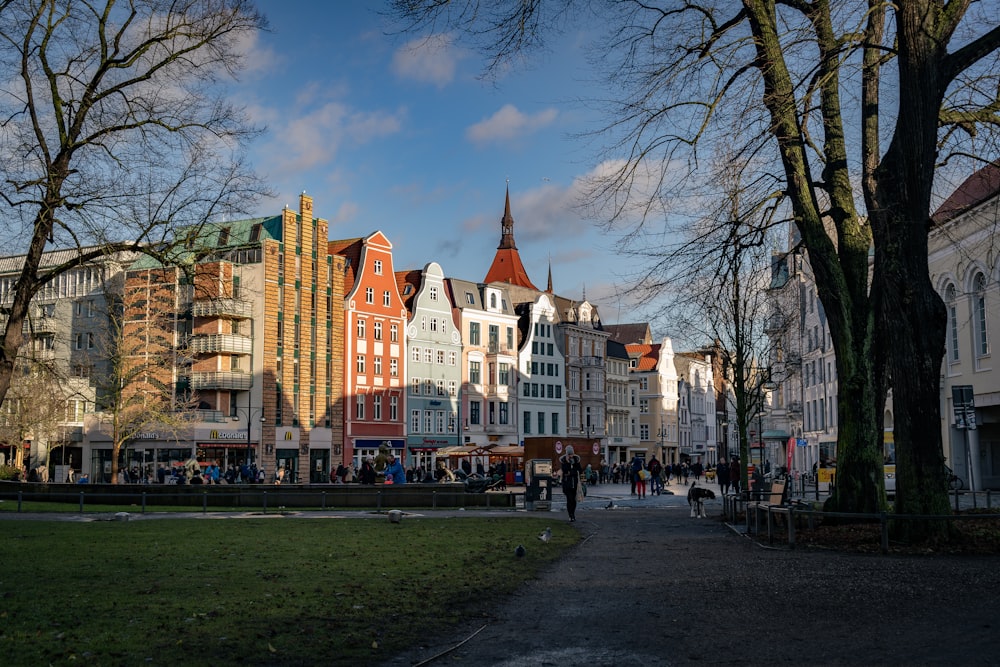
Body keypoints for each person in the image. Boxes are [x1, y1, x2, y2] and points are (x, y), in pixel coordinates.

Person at [559, 445, 583, 522]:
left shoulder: (576, 460)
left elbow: (580, 470)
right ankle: (570, 515)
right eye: (569, 454)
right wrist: (568, 463)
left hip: (574, 483)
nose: (570, 456)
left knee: (574, 500)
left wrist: (575, 465)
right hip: (567, 484)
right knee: (570, 499)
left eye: (571, 454)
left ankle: (573, 514)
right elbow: (565, 470)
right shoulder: (564, 461)